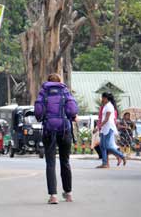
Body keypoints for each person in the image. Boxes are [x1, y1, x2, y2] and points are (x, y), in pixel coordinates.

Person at [34, 73, 78, 204]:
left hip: (49, 130)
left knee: (50, 163)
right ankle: (68, 194)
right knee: (65, 161)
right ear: (60, 81)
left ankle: (53, 196)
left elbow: (38, 112)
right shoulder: (65, 92)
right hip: (65, 130)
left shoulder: (44, 92)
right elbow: (72, 111)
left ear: (48, 81)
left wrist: (42, 117)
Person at [97, 92, 126, 169]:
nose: (102, 99)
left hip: (109, 128)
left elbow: (106, 119)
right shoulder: (105, 106)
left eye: (102, 98)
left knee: (107, 146)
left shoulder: (109, 106)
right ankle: (105, 163)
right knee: (102, 146)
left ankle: (122, 156)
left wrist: (98, 127)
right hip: (104, 128)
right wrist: (100, 127)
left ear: (106, 98)